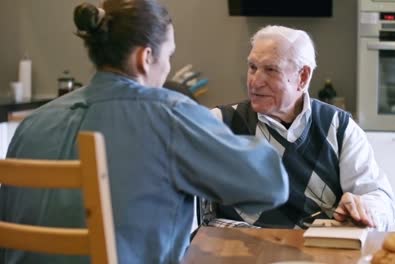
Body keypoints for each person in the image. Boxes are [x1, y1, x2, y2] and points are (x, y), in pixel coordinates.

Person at [0, 2, 289, 264]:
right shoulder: (169, 115)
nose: (168, 67)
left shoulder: (32, 124)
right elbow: (271, 185)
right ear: (145, 57)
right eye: (169, 55)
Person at [204, 25, 395, 231]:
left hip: (319, 252)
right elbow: (195, 213)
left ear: (303, 76)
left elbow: (382, 199)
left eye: (270, 69)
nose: (255, 81)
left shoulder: (339, 127)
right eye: (252, 67)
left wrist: (364, 210)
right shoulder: (219, 124)